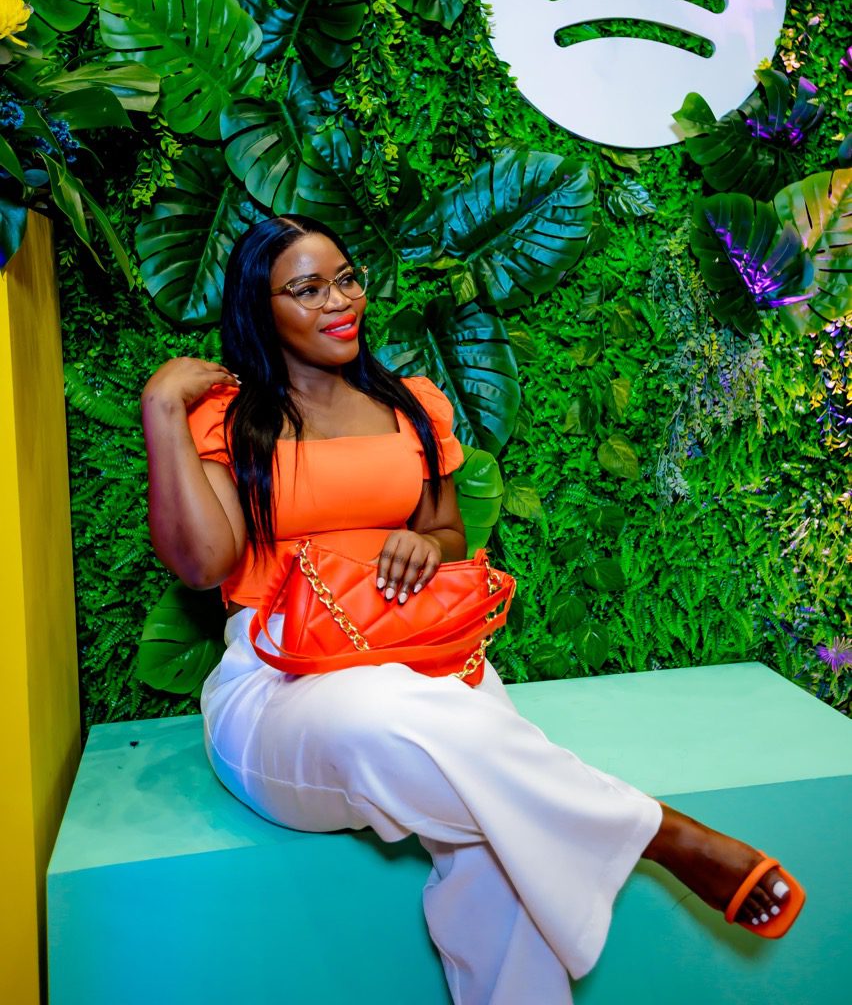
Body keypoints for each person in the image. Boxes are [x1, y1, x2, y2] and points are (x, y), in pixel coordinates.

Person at [141, 213, 804, 1004]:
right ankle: (656, 833)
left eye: (346, 279)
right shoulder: (230, 418)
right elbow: (203, 563)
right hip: (281, 684)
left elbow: (448, 532)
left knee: (499, 844)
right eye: (308, 290)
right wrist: (162, 407)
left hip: (425, 651)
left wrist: (426, 546)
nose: (339, 301)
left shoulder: (411, 404)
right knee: (382, 713)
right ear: (260, 306)